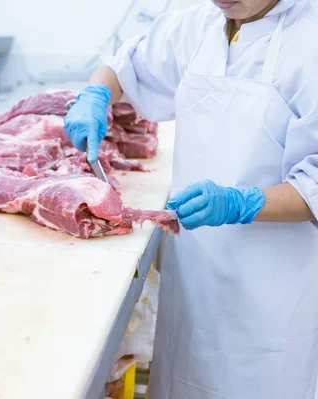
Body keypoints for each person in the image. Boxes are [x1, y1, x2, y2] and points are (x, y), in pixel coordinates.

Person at [64, 0, 318, 397]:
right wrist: (97, 93)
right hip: (195, 273)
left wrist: (241, 202)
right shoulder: (200, 26)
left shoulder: (310, 40)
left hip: (275, 292)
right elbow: (127, 63)